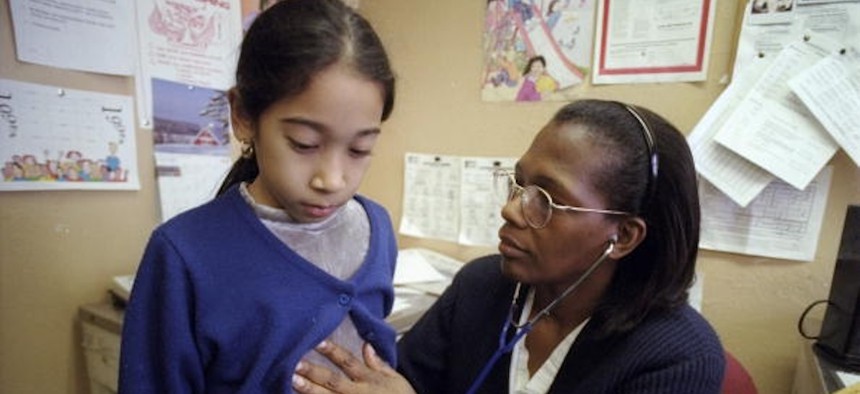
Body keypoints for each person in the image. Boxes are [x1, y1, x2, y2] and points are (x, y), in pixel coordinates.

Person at [291, 99, 725, 393]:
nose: (512, 210)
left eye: (547, 200)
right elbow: (401, 382)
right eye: (519, 183)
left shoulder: (677, 357)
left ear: (624, 236)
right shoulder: (482, 286)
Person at [119, 0, 398, 392]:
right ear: (244, 116)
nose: (332, 180)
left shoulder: (377, 229)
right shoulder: (184, 254)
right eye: (304, 144)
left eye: (359, 149)